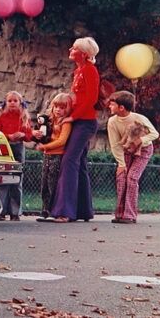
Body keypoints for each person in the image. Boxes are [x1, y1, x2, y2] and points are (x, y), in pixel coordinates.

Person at [46, 37, 100, 223]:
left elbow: (91, 99)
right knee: (80, 163)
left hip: (85, 122)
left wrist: (72, 117)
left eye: (74, 48)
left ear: (83, 54)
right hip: (79, 121)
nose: (70, 49)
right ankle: (83, 210)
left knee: (69, 161)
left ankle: (64, 211)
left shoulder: (89, 70)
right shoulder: (79, 71)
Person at [106, 90, 159, 224]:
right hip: (127, 150)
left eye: (112, 105)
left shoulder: (139, 118)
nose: (109, 107)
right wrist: (121, 164)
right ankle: (120, 214)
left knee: (132, 177)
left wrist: (140, 141)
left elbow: (154, 134)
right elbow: (115, 145)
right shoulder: (112, 122)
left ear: (121, 107)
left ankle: (130, 215)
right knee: (122, 177)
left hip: (144, 149)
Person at [0, 90, 32, 221]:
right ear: (6, 103)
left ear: (20, 103)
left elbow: (29, 135)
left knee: (16, 181)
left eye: (15, 101)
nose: (13, 103)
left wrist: (23, 135)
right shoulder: (1, 116)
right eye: (10, 101)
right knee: (3, 180)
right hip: (4, 148)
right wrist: (8, 136)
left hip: (18, 147)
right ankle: (2, 211)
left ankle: (15, 212)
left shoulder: (23, 116)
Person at [33, 92, 73, 220]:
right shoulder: (49, 120)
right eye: (56, 107)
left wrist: (45, 147)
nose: (58, 110)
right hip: (47, 155)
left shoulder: (66, 123)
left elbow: (62, 141)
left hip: (57, 155)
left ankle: (53, 209)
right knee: (44, 183)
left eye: (62, 108)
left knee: (53, 183)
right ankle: (44, 209)